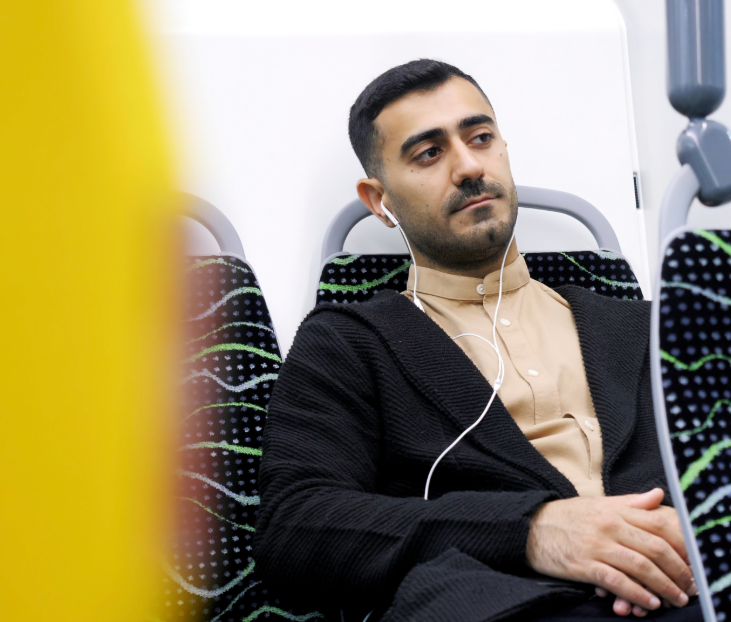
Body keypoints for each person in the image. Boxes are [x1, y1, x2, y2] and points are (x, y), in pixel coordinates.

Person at [254, 59, 703, 622]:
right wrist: (533, 529)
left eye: (480, 138)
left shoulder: (647, 326)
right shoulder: (349, 345)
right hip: (503, 603)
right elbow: (295, 528)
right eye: (429, 153)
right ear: (379, 200)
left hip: (694, 590)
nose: (468, 166)